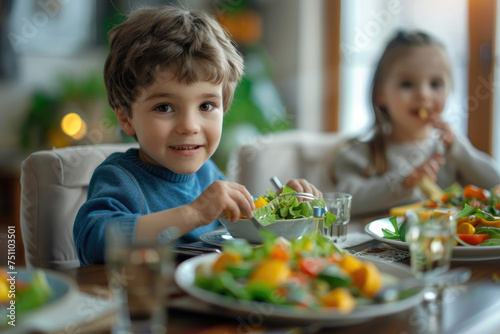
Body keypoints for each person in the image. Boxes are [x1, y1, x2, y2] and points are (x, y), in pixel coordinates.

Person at [73, 5, 321, 265]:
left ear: (224, 109)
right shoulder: (120, 179)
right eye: (164, 107)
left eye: (206, 106)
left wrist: (283, 210)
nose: (189, 126)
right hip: (145, 302)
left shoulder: (209, 175)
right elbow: (93, 242)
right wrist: (193, 214)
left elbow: (244, 237)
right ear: (125, 117)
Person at [332, 30, 500, 216]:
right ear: (381, 94)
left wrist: (459, 149)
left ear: (449, 90)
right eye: (407, 84)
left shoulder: (448, 153)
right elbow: (344, 202)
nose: (423, 94)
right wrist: (404, 183)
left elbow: (495, 184)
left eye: (435, 84)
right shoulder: (359, 155)